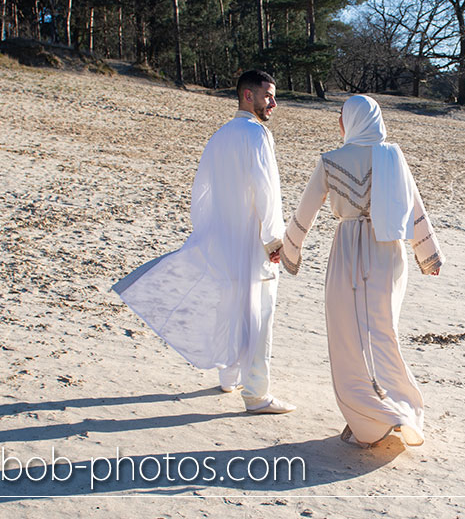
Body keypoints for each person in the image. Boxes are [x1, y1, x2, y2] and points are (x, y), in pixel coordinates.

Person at [113, 69, 295, 414]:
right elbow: (267, 191)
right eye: (268, 95)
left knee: (230, 308)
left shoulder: (221, 134)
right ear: (247, 96)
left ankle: (230, 377)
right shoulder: (257, 135)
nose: (273, 102)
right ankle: (257, 394)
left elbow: (202, 190)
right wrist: (274, 241)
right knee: (258, 316)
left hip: (225, 238)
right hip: (252, 242)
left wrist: (210, 231)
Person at [281, 94, 442, 447]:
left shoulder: (330, 161)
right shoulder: (392, 157)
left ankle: (369, 418)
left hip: (348, 250)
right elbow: (415, 206)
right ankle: (393, 409)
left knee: (348, 336)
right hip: (388, 252)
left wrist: (288, 248)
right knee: (383, 332)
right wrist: (428, 255)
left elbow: (304, 213)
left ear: (349, 121)